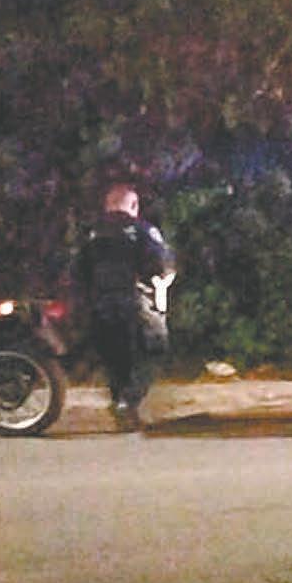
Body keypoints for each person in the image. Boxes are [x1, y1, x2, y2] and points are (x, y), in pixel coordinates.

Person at [75, 183, 175, 432]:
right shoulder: (142, 229)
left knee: (114, 358)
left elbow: (78, 271)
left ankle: (121, 405)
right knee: (155, 348)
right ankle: (128, 402)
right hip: (133, 301)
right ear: (134, 205)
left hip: (99, 304)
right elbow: (160, 263)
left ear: (107, 205)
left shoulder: (90, 233)